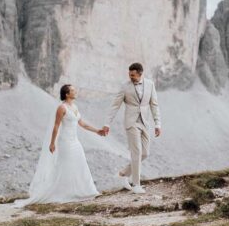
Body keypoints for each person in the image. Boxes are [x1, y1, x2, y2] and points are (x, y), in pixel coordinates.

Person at [15, 84, 102, 206]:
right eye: (73, 90)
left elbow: (82, 124)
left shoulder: (75, 107)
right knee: (66, 166)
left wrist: (97, 131)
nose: (75, 91)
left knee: (81, 164)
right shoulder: (62, 108)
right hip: (65, 142)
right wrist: (52, 143)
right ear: (67, 94)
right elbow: (56, 126)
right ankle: (64, 193)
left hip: (75, 141)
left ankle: (87, 191)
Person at [100, 62, 161, 194]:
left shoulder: (150, 84)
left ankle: (123, 174)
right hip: (131, 122)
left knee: (145, 153)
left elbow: (154, 105)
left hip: (145, 122)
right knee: (137, 152)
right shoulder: (125, 86)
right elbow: (115, 106)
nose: (130, 77)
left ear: (140, 73)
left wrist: (157, 124)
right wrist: (107, 123)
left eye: (133, 75)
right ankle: (136, 185)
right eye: (129, 75)